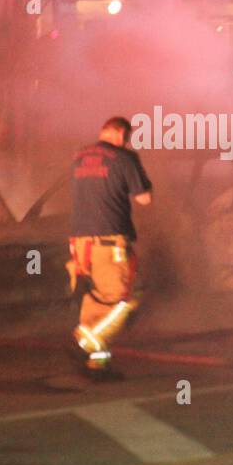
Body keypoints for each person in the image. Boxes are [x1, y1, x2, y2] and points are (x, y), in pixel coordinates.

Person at [65, 116, 152, 374]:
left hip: (80, 245)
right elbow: (145, 199)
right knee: (125, 300)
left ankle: (97, 362)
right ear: (121, 135)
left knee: (95, 303)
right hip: (109, 243)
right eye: (127, 138)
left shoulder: (78, 157)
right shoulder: (125, 158)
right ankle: (83, 340)